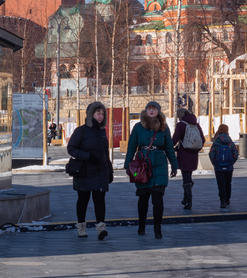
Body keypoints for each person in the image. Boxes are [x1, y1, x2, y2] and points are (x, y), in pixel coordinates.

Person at [124, 101, 178, 239]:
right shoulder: (137, 127)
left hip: (159, 164)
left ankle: (157, 229)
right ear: (146, 111)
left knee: (158, 199)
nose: (152, 111)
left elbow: (169, 148)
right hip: (142, 165)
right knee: (143, 198)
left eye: (154, 109)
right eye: (149, 108)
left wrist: (174, 164)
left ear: (158, 111)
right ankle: (141, 225)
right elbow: (131, 146)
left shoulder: (164, 128)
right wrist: (128, 164)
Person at [67, 101, 114, 240]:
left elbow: (105, 152)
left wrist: (110, 170)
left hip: (100, 171)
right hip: (85, 172)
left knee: (100, 200)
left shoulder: (102, 131)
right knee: (83, 200)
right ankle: (81, 226)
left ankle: (101, 228)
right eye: (98, 113)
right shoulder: (81, 131)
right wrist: (88, 156)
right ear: (90, 114)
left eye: (102, 114)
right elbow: (71, 149)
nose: (101, 116)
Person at [172, 108, 205, 210]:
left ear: (180, 116)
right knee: (188, 177)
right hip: (193, 154)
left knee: (186, 177)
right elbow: (202, 139)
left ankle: (188, 200)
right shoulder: (196, 124)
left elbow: (174, 139)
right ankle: (186, 198)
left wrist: (170, 148)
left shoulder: (181, 125)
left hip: (183, 154)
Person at [209, 124, 239, 208]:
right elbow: (235, 154)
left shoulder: (216, 141)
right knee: (228, 183)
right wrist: (231, 162)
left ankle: (222, 201)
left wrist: (214, 163)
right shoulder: (230, 142)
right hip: (228, 167)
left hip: (219, 166)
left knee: (221, 183)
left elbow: (211, 153)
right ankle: (227, 199)